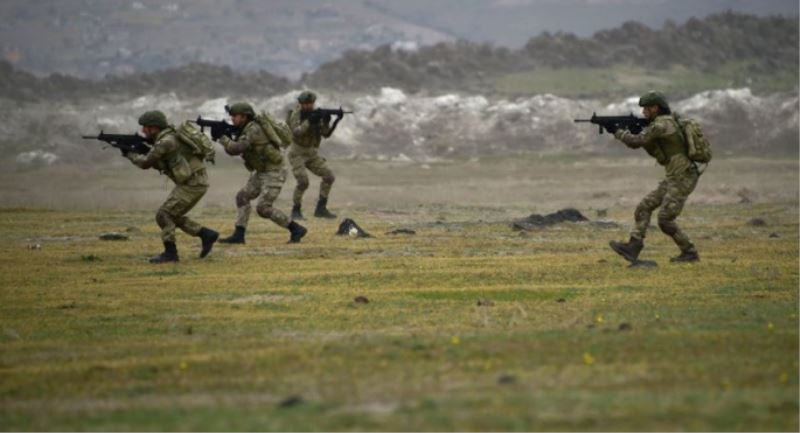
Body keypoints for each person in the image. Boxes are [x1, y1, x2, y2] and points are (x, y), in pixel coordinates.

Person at [608, 91, 701, 263]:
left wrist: (617, 132)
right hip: (675, 177)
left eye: (646, 109)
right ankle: (634, 247)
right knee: (644, 207)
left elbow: (636, 142)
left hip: (683, 177)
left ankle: (690, 252)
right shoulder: (664, 122)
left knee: (665, 219)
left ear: (655, 108)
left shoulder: (662, 124)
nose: (643, 113)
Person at [127, 110, 218, 263]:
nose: (143, 131)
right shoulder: (168, 137)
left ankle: (171, 254)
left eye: (146, 127)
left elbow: (145, 163)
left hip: (193, 183)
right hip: (194, 182)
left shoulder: (166, 141)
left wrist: (129, 153)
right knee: (172, 215)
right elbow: (162, 161)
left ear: (155, 127)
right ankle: (206, 234)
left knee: (164, 215)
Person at [217, 103, 307, 244]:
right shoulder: (245, 129)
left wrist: (222, 138)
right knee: (242, 197)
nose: (232, 119)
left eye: (235, 116)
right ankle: (239, 235)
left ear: (244, 116)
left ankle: (296, 229)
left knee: (263, 208)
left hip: (274, 171)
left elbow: (237, 148)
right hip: (261, 171)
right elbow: (233, 149)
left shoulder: (253, 129)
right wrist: (225, 136)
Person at [286, 91, 341, 220]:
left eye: (311, 104)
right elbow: (297, 132)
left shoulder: (317, 115)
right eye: (305, 104)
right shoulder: (296, 115)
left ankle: (321, 209)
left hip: (311, 152)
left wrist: (329, 121)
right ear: (300, 104)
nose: (308, 106)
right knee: (303, 182)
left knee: (329, 177)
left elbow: (326, 134)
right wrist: (310, 121)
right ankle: (296, 211)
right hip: (297, 153)